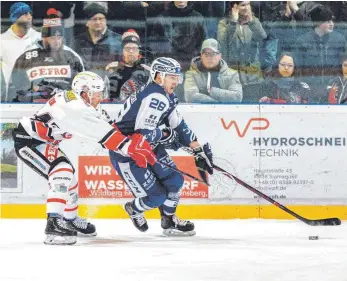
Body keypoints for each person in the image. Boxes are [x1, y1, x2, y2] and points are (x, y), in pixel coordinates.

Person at [12, 71, 156, 245]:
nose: (99, 98)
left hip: (45, 141)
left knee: (70, 181)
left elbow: (109, 128)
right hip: (29, 140)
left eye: (100, 94)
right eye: (96, 94)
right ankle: (53, 224)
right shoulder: (74, 107)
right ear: (84, 92)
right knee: (62, 172)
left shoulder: (86, 104)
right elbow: (106, 136)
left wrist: (132, 140)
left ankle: (69, 219)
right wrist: (130, 148)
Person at [109, 57, 214, 236]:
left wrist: (197, 149)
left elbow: (179, 125)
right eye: (172, 77)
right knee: (156, 197)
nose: (176, 81)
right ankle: (133, 208)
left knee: (175, 181)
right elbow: (141, 137)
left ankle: (169, 220)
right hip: (127, 153)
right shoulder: (155, 97)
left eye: (177, 77)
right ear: (158, 76)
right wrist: (165, 134)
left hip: (146, 147)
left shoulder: (166, 95)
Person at [7, 8, 84, 102]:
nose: (57, 42)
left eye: (59, 37)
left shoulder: (71, 56)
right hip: (32, 107)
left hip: (64, 106)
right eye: (52, 38)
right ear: (44, 37)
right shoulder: (27, 55)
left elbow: (81, 86)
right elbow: (16, 87)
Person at [0, 2, 41, 99]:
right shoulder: (2, 40)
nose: (30, 17)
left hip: (37, 93)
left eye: (30, 13)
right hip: (12, 97)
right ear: (15, 18)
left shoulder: (39, 38)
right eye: (25, 14)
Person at [184, 38, 243, 103]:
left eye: (213, 54)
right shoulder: (191, 74)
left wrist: (212, 91)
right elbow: (190, 96)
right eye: (206, 54)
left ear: (220, 56)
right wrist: (215, 103)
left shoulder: (232, 74)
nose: (209, 57)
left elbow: (237, 97)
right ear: (201, 56)